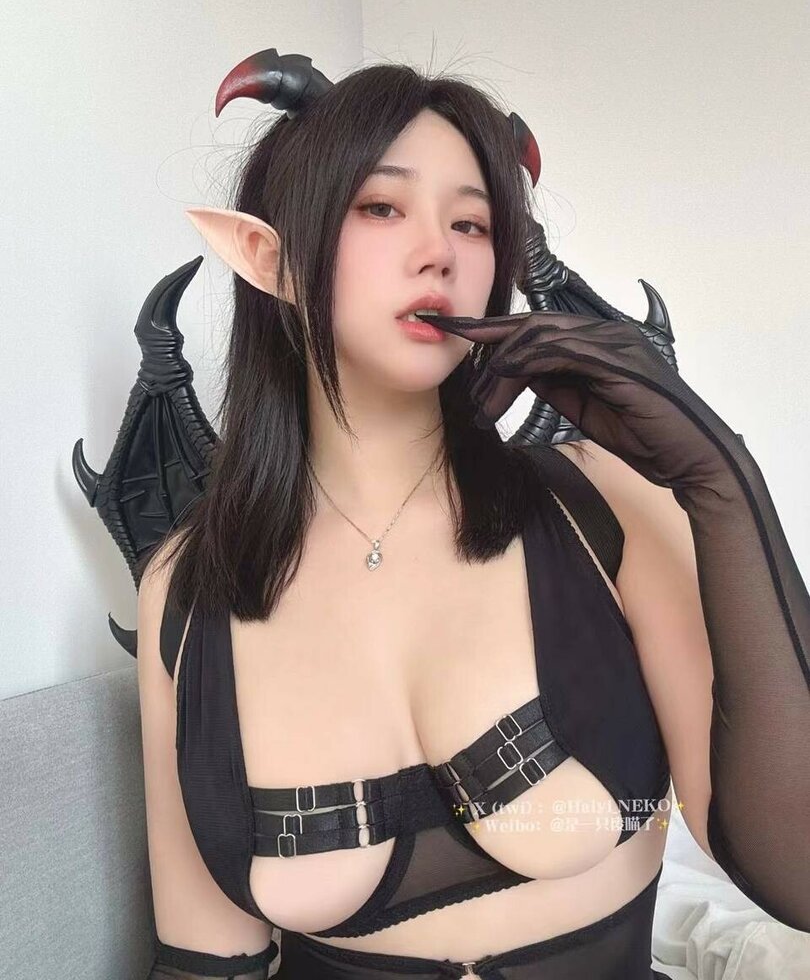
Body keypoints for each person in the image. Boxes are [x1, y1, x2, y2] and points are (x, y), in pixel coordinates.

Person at [136, 56, 810, 979]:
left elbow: (800, 872)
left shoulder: (600, 505)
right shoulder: (188, 585)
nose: (440, 253)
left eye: (472, 222)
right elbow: (206, 961)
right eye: (382, 207)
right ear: (267, 256)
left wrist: (723, 480)